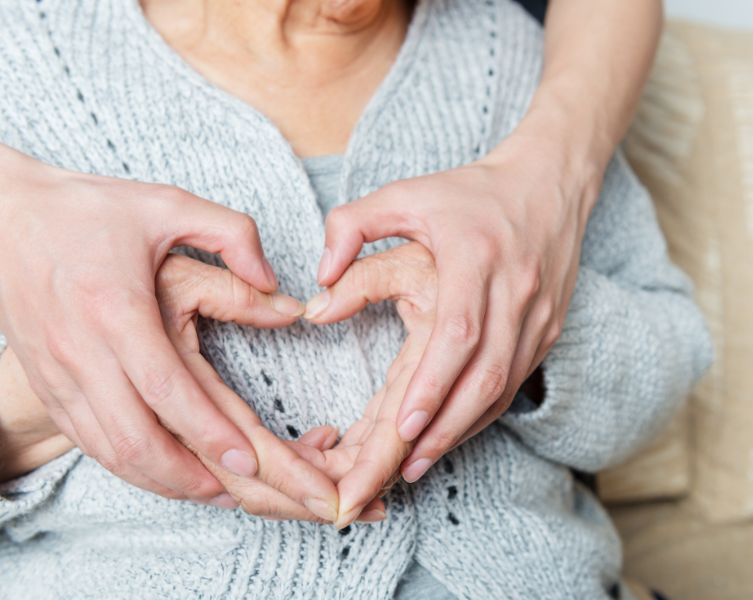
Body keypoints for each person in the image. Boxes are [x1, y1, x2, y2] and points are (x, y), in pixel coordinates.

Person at [0, 0, 710, 597]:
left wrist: (530, 324)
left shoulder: (514, 62)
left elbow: (664, 369)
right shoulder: (24, 64)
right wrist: (55, 390)